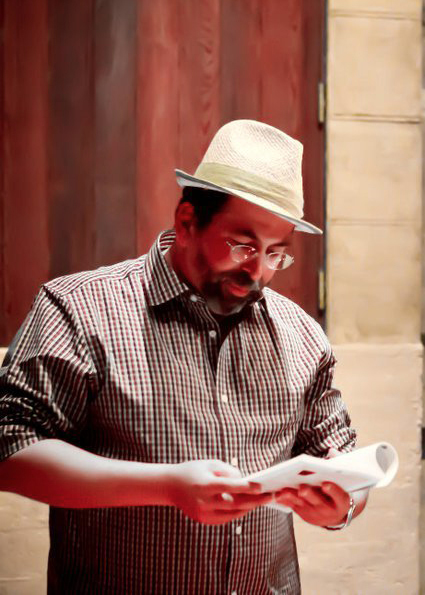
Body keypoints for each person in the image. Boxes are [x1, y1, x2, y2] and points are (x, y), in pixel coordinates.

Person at [0, 120, 366, 594]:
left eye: (277, 253)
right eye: (243, 245)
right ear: (187, 221)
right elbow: (9, 448)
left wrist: (343, 505)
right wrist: (166, 487)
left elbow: (348, 469)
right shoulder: (80, 309)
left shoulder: (300, 335)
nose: (258, 271)